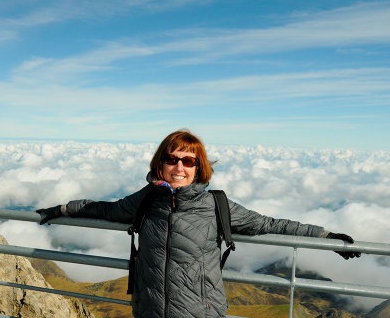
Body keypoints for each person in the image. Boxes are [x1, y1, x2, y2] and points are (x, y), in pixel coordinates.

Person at [36, 129, 361, 318]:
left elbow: (269, 224)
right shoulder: (147, 198)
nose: (179, 166)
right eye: (172, 159)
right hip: (148, 310)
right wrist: (63, 208)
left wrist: (326, 236)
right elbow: (105, 210)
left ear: (198, 167)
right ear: (160, 164)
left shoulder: (215, 205)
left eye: (188, 160)